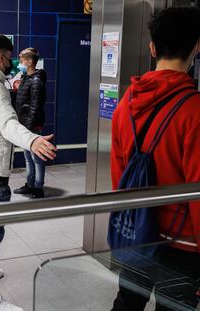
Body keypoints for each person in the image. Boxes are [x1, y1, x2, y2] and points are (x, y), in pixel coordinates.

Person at [110, 7, 200, 311]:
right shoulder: (195, 110)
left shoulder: (127, 103)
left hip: (138, 232)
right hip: (184, 242)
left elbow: (118, 174)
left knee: (127, 303)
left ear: (152, 48)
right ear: (196, 47)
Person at [0, 33, 57, 311]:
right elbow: (7, 124)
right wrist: (33, 140)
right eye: (10, 57)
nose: (12, 63)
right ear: (2, 57)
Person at [13, 48, 47, 199]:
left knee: (36, 158)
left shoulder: (36, 81)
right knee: (28, 157)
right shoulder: (26, 78)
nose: (19, 63)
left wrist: (29, 128)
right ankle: (30, 184)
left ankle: (38, 188)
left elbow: (35, 107)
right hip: (24, 125)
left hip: (32, 126)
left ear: (30, 62)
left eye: (22, 60)